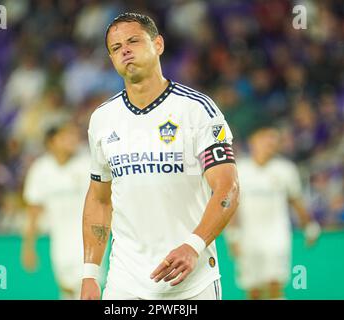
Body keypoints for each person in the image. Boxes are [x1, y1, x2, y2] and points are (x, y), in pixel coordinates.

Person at [81, 13, 239, 300]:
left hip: (192, 282)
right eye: (116, 48)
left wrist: (193, 245)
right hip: (124, 282)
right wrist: (91, 274)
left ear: (158, 44)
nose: (125, 50)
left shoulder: (198, 111)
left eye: (133, 41)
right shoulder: (102, 119)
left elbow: (227, 188)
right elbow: (99, 199)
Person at [224, 125, 321, 300]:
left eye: (273, 140)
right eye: (264, 139)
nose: (269, 143)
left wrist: (309, 225)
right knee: (253, 289)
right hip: (248, 237)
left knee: (275, 283)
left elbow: (295, 200)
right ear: (253, 141)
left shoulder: (286, 170)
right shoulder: (239, 169)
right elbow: (232, 205)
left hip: (277, 235)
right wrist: (233, 235)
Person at [21, 121, 90, 299]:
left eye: (74, 136)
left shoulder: (87, 163)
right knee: (66, 290)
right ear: (51, 142)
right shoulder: (40, 169)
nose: (72, 140)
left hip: (89, 241)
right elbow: (34, 210)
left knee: (87, 290)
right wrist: (28, 247)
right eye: (66, 136)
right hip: (59, 242)